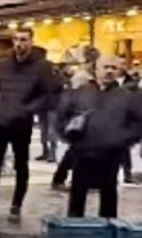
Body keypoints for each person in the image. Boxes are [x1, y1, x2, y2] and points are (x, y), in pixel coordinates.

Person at [0, 29, 52, 223]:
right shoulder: (3, 65)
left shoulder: (42, 67)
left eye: (23, 40)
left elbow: (49, 94)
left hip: (21, 123)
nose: (19, 44)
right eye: (16, 40)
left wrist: (29, 110)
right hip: (0, 122)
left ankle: (16, 206)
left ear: (31, 42)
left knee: (21, 165)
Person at [58, 55, 142, 217]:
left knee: (109, 195)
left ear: (119, 71)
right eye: (105, 67)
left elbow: (138, 123)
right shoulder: (80, 93)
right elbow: (62, 115)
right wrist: (69, 135)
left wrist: (122, 140)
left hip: (110, 154)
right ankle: (74, 231)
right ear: (96, 69)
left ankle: (107, 231)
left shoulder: (128, 97)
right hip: (82, 151)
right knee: (77, 194)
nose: (109, 71)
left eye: (113, 68)